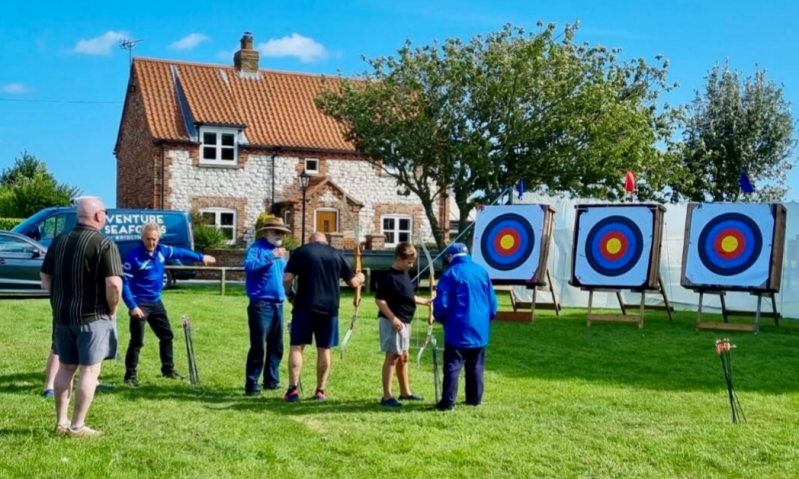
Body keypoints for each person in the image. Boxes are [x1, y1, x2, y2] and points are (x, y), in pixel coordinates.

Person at [40, 197, 123, 437]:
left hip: (63, 316)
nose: (106, 218)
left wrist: (59, 297)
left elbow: (45, 278)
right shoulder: (104, 244)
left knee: (65, 369)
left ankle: (61, 422)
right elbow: (114, 284)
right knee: (89, 371)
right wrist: (113, 309)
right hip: (93, 317)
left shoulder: (59, 241)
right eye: (105, 213)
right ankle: (77, 426)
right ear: (98, 216)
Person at [121, 223, 216, 387]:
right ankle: (130, 376)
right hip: (140, 304)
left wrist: (201, 257)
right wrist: (132, 306)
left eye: (155, 239)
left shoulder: (162, 251)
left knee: (167, 336)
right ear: (142, 238)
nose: (151, 243)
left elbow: (181, 252)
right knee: (137, 341)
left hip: (156, 302)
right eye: (148, 239)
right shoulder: (133, 257)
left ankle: (168, 370)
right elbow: (124, 283)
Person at [282, 231, 365, 402]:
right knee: (324, 348)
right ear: (326, 242)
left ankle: (292, 390)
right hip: (329, 308)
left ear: (309, 241)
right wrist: (361, 277)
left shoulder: (301, 251)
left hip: (304, 305)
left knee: (297, 346)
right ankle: (320, 390)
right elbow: (353, 282)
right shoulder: (335, 254)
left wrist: (290, 294)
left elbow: (287, 278)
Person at [431, 242, 498, 411]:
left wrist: (440, 318)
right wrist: (485, 320)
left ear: (451, 257)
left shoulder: (451, 273)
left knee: (453, 364)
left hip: (457, 326)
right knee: (476, 365)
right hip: (480, 327)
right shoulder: (482, 271)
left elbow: (442, 303)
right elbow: (493, 304)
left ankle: (448, 402)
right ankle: (474, 399)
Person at [375, 242, 430, 407]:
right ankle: (387, 396)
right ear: (399, 259)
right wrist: (393, 318)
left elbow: (407, 296)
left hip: (405, 321)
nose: (411, 265)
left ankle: (405, 392)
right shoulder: (388, 276)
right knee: (392, 357)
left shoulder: (404, 274)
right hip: (394, 322)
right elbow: (380, 300)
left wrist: (425, 301)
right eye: (409, 262)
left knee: (404, 357)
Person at [243, 217, 290, 396]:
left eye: (282, 232)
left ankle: (271, 380)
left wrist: (290, 293)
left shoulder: (281, 252)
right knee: (258, 346)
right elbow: (249, 266)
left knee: (276, 346)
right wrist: (272, 256)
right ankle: (252, 383)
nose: (279, 235)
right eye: (276, 231)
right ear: (266, 232)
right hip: (261, 304)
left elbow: (282, 276)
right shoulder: (257, 248)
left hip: (278, 303)